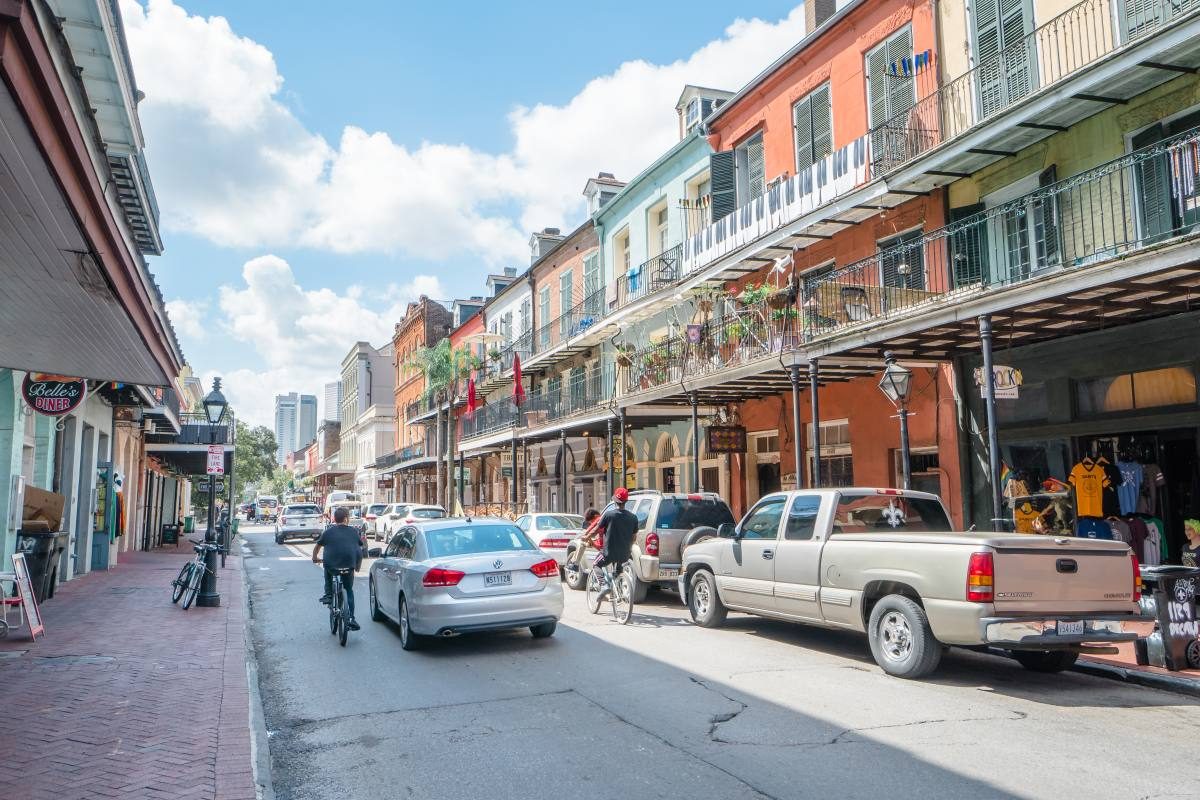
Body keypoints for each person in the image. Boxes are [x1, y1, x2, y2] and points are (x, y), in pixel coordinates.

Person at [313, 506, 363, 630]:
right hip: (349, 566)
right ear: (346, 519)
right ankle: (351, 618)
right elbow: (359, 549)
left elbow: (317, 547)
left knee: (327, 568)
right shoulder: (353, 532)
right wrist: (357, 567)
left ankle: (329, 594)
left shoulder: (328, 532)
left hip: (332, 566)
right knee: (349, 590)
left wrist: (315, 558)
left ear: (334, 519)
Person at [592, 488, 638, 593]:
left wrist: (587, 537)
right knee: (618, 570)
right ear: (626, 501)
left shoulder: (609, 515)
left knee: (596, 564)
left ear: (615, 501)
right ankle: (619, 592)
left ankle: (604, 586)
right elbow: (634, 538)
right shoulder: (633, 517)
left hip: (608, 553)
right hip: (625, 554)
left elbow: (596, 529)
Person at [564, 507, 603, 574]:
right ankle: (574, 562)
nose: (591, 523)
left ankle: (575, 564)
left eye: (591, 521)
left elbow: (590, 530)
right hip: (608, 543)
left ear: (595, 516)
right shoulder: (604, 519)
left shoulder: (599, 519)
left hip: (601, 545)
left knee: (581, 543)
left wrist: (584, 536)